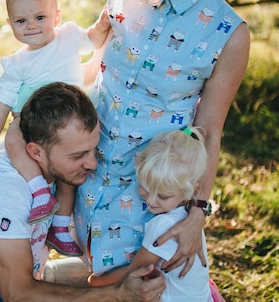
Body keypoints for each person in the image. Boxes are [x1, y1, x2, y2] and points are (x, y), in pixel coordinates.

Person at [72, 0, 250, 278]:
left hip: (147, 192)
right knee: (90, 272)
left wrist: (197, 214)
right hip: (87, 167)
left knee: (134, 284)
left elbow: (209, 133)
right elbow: (95, 70)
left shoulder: (228, 34)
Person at [0, 82, 165, 302]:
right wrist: (116, 295)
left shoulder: (44, 153)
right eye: (78, 156)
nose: (92, 164)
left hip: (32, 278)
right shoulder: (6, 192)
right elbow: (17, 294)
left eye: (93, 150)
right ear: (36, 151)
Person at [0, 0, 111, 256]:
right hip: (30, 120)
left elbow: (94, 39)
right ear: (10, 23)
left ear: (57, 17)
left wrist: (103, 23)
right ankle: (37, 189)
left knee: (67, 172)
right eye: (21, 21)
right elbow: (3, 97)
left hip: (68, 117)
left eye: (40, 17)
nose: (32, 26)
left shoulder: (69, 37)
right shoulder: (17, 63)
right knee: (14, 140)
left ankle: (60, 227)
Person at [88, 127, 225, 302]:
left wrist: (96, 282)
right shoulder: (186, 216)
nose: (151, 201)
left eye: (163, 195)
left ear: (189, 190)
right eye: (146, 187)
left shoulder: (164, 226)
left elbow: (136, 270)